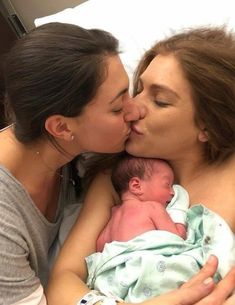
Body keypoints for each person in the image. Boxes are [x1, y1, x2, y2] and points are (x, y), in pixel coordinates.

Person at [46, 26, 235, 305]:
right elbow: (63, 280)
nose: (131, 109)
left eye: (159, 101)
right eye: (140, 90)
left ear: (207, 125)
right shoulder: (121, 177)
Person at [0, 22, 141, 305]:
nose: (135, 109)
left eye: (128, 91)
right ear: (61, 128)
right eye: (117, 107)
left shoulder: (72, 151)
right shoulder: (5, 220)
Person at [96, 154, 187, 253]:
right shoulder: (152, 207)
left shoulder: (114, 213)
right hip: (143, 263)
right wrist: (179, 208)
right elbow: (176, 238)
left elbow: (100, 246)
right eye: (167, 184)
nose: (172, 192)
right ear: (136, 186)